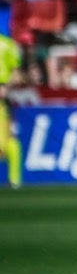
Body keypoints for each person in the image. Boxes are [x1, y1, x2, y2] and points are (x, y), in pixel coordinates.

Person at [0, 32, 20, 189]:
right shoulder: (8, 44)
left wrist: (5, 88)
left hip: (2, 104)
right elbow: (15, 75)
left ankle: (14, 180)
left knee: (8, 143)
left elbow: (15, 74)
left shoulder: (7, 44)